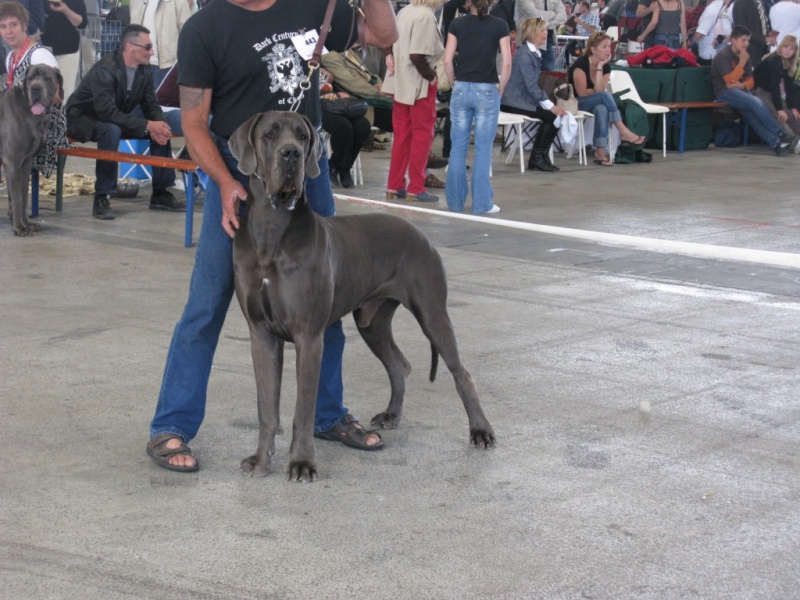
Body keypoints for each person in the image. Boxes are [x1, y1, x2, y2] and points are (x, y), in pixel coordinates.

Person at [146, 0, 398, 472]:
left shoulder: (314, 6)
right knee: (207, 304)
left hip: (305, 165)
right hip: (241, 167)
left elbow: (383, 35)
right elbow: (195, 122)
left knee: (326, 306)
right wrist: (225, 182)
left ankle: (325, 416)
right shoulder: (205, 27)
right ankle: (171, 424)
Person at [66, 24, 185, 219]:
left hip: (114, 116)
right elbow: (106, 113)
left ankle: (161, 193)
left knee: (161, 128)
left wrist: (157, 124)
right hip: (82, 118)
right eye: (148, 47)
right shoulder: (105, 69)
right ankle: (102, 196)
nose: (152, 52)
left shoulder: (144, 70)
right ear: (130, 47)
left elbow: (150, 104)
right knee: (110, 130)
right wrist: (147, 125)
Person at [443, 0, 510, 214]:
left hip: (462, 87)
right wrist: (500, 89)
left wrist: (455, 84)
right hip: (487, 88)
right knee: (482, 150)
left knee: (457, 149)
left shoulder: (457, 25)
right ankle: (482, 204)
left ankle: (454, 203)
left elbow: (446, 61)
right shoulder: (500, 25)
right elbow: (507, 62)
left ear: (467, 2)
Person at [383, 0, 444, 203]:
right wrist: (431, 77)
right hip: (419, 84)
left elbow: (389, 41)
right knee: (422, 137)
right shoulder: (426, 15)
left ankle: (394, 185)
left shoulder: (405, 11)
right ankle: (416, 187)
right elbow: (417, 55)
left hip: (399, 82)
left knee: (402, 136)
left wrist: (389, 56)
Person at [0, 1, 68, 178]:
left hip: (46, 126)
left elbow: (56, 99)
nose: (9, 31)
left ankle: (16, 205)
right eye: (3, 26)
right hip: (19, 124)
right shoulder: (11, 57)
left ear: (24, 25)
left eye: (13, 25)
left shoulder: (40, 55)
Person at [711, 25, 798, 156]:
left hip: (741, 91)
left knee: (753, 117)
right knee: (756, 102)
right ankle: (779, 132)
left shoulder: (745, 55)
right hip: (724, 92)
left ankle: (776, 143)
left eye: (747, 40)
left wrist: (742, 85)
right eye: (743, 40)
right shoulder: (724, 55)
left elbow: (751, 82)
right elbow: (729, 82)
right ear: (733, 40)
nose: (746, 44)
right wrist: (741, 63)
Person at [568, 30, 647, 166]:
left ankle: (600, 151)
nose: (608, 50)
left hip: (594, 102)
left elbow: (598, 90)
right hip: (577, 102)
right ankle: (623, 130)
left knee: (601, 108)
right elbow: (581, 93)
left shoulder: (605, 67)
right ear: (593, 49)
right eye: (604, 47)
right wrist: (595, 91)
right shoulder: (581, 64)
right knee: (605, 96)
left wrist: (599, 67)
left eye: (609, 46)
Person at [501, 16, 567, 172]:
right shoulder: (525, 55)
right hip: (513, 102)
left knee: (555, 116)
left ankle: (541, 156)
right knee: (552, 116)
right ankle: (537, 158)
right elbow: (531, 86)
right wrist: (551, 106)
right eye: (542, 30)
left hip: (524, 100)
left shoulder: (534, 53)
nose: (546, 33)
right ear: (532, 32)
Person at [130, 0, 191, 90]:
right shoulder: (136, 2)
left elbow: (187, 32)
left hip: (166, 66)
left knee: (159, 102)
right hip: (139, 66)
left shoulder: (178, 1)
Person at [321, 89, 371, 188]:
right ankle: (344, 170)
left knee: (363, 126)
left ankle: (334, 165)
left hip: (340, 102)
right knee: (343, 127)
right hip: (319, 104)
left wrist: (344, 93)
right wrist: (322, 95)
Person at [754, 34, 800, 140]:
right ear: (780, 47)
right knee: (777, 114)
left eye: (791, 49)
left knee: (792, 114)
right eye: (785, 47)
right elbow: (774, 85)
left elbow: (789, 87)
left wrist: (793, 107)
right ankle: (790, 138)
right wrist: (779, 109)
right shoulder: (775, 60)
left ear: (795, 51)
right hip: (762, 91)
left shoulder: (789, 63)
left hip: (774, 92)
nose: (787, 51)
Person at [41, 0, 87, 101]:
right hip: (42, 51)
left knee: (64, 95)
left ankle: (61, 116)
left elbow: (82, 23)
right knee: (41, 94)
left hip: (67, 51)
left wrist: (66, 11)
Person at [515, 0, 567, 71]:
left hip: (548, 43)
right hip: (528, 42)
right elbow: (533, 14)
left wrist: (545, 25)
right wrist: (553, 14)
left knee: (549, 77)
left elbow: (563, 17)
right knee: (528, 75)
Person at [733, 0, 775, 66]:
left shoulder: (764, 3)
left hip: (766, 49)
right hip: (750, 51)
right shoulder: (740, 3)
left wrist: (769, 35)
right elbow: (741, 30)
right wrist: (764, 39)